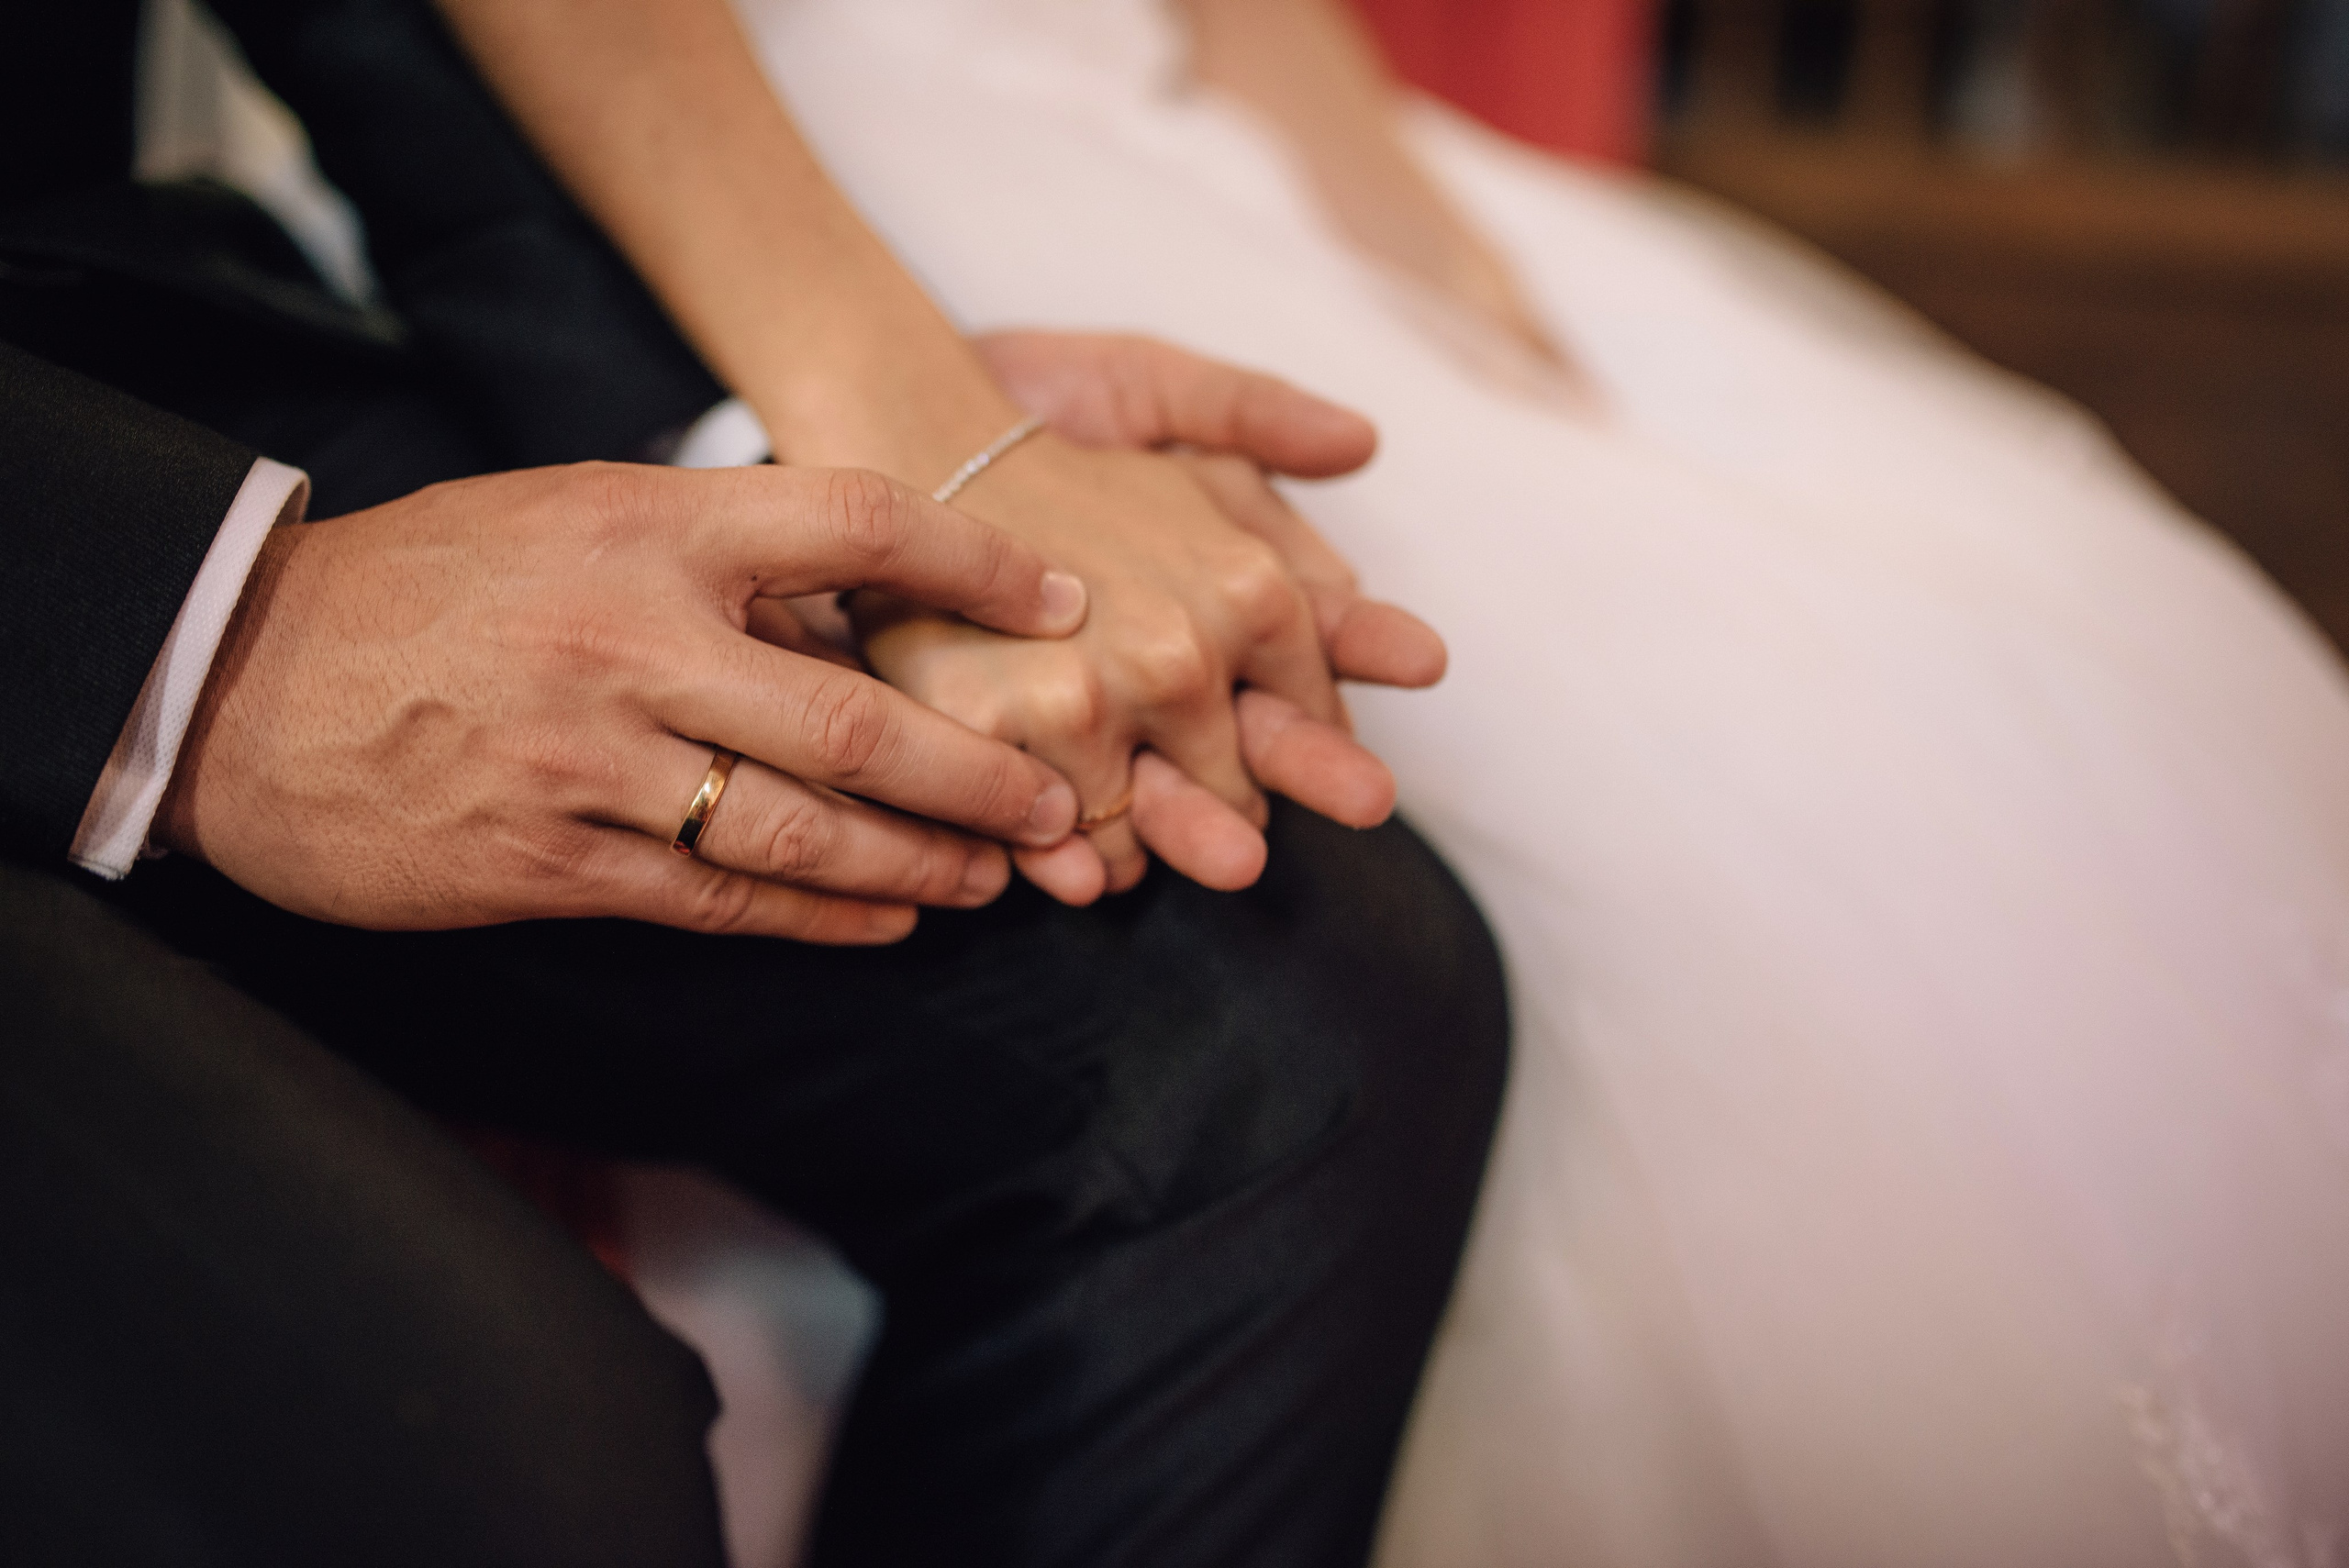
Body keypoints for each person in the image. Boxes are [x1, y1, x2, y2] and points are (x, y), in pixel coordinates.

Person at [672, 0, 2349, 1562]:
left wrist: (1420, 245)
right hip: (809, 190)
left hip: (1172, 142)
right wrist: (906, 411)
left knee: (1982, 658)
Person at [0, 4, 1509, 1564]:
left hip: (98, 338)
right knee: (503, 1458)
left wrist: (771, 453)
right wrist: (204, 644)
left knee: (1283, 1015)